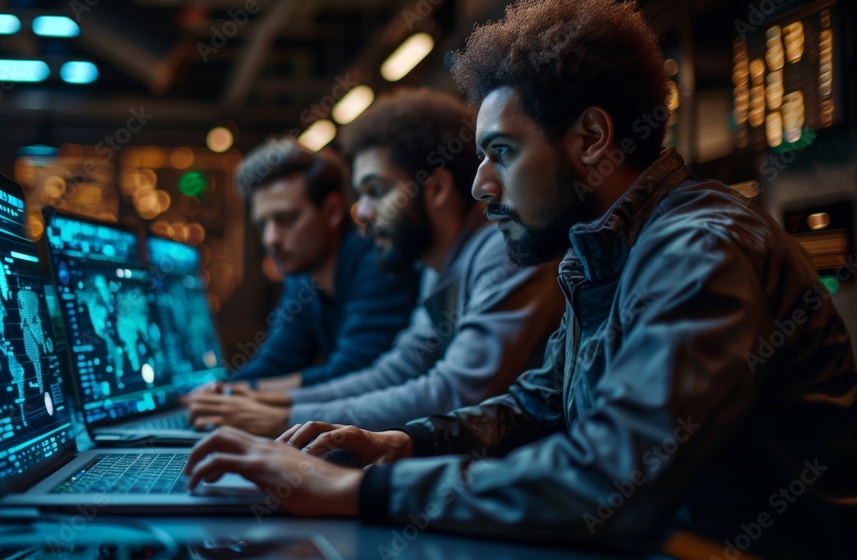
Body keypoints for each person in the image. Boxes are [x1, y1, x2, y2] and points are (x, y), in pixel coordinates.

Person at [183, 0, 857, 556]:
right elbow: (537, 406)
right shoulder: (607, 250)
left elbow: (610, 478)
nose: (481, 185)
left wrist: (352, 492)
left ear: (591, 138)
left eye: (501, 152)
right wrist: (405, 441)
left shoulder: (698, 249)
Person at [188, 89, 563, 436]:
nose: (363, 212)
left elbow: (456, 388)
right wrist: (264, 403)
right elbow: (396, 371)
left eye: (377, 191)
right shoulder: (439, 267)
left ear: (436, 188)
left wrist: (282, 418)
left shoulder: (501, 251)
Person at [225, 138, 419, 389]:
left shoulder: (377, 264)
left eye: (285, 219)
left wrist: (243, 392)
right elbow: (275, 361)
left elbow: (352, 373)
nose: (271, 239)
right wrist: (217, 391)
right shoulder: (302, 280)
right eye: (263, 224)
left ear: (332, 211)